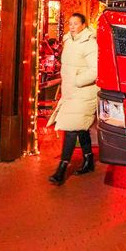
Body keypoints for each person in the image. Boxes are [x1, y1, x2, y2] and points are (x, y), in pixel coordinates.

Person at [48, 13, 99, 186]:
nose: (72, 26)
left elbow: (95, 70)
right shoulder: (68, 41)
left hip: (84, 91)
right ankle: (89, 160)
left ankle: (61, 169)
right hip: (71, 91)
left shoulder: (90, 43)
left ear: (84, 25)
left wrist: (77, 80)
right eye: (70, 23)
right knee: (80, 127)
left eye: (76, 23)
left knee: (70, 128)